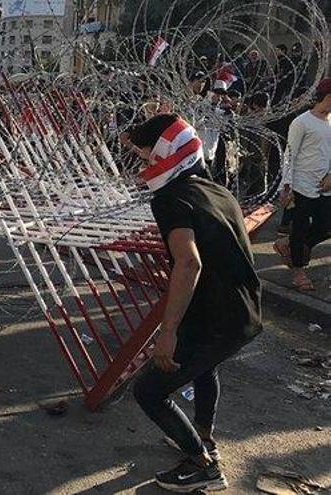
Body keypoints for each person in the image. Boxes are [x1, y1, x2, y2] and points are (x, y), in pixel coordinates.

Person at [120, 114, 262, 493]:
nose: (144, 164)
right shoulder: (218, 191)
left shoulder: (170, 198)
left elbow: (189, 261)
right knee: (204, 367)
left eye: (148, 155)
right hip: (243, 313)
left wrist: (167, 332)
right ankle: (202, 434)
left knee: (148, 391)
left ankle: (203, 465)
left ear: (166, 154)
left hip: (217, 319)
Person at [273, 78, 331, 291]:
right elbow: (290, 154)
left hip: (324, 185)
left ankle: (289, 245)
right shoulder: (302, 122)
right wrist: (286, 186)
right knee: (300, 227)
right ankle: (298, 272)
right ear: (323, 98)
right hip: (301, 184)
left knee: (326, 226)